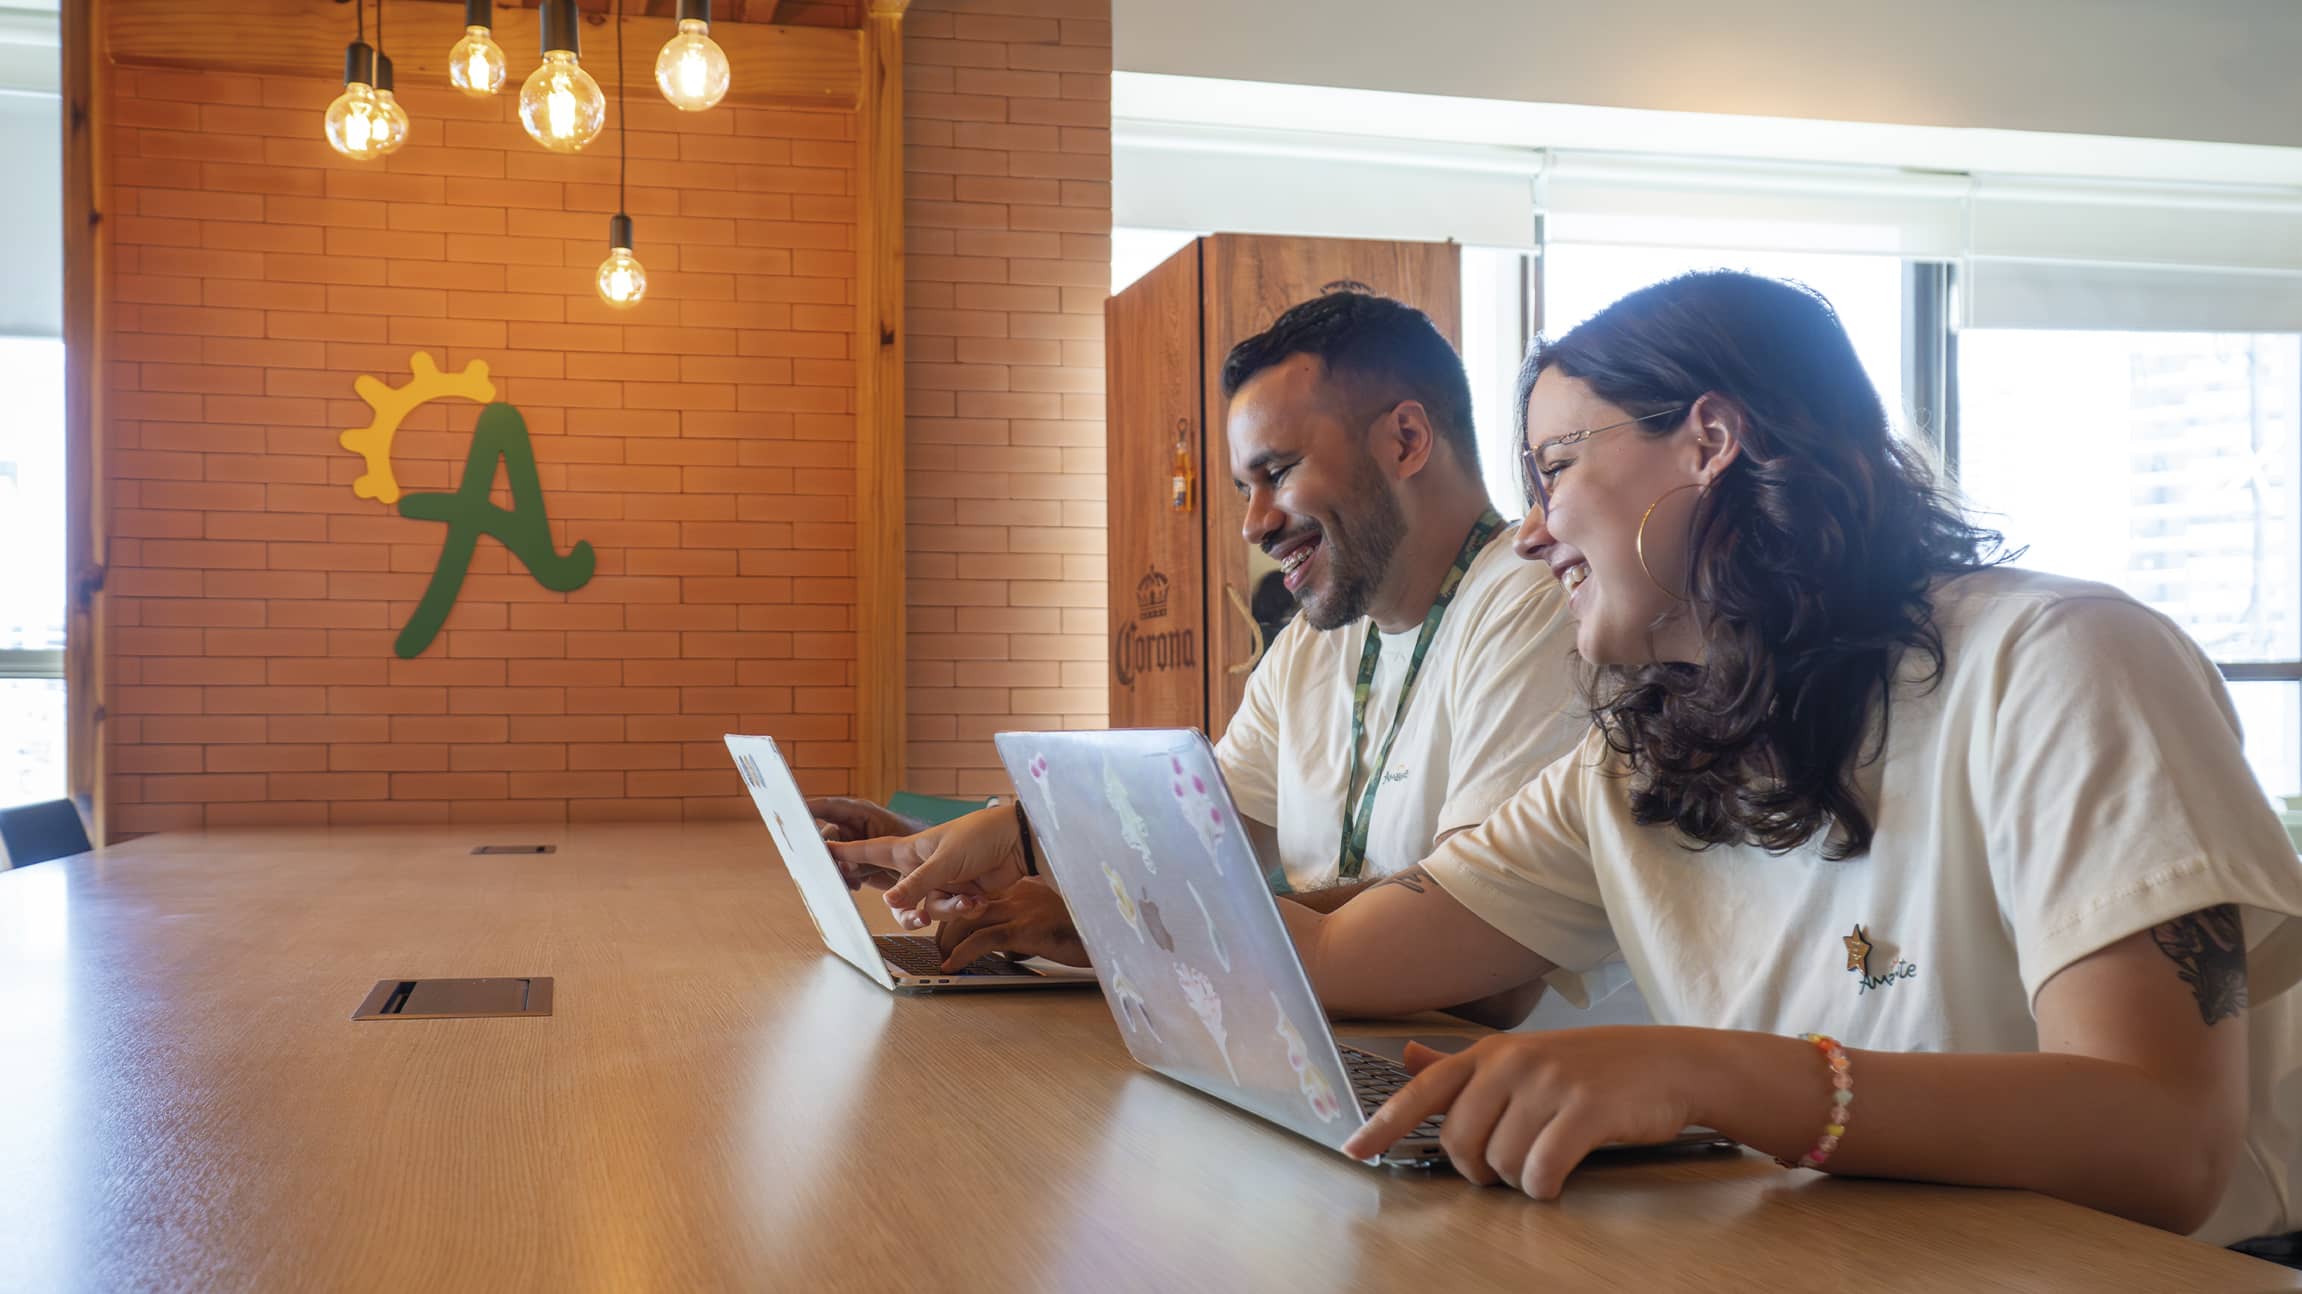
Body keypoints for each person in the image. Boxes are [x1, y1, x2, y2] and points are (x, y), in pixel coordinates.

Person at [880, 270, 2302, 1248]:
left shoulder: (2059, 661)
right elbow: (1344, 953)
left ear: (1711, 441)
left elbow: (2160, 1140)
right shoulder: (1639, 759)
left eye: (1555, 466)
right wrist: (1093, 904)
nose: (1528, 528)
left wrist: (1710, 1076)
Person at [815, 290, 1590, 1023]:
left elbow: (1486, 979)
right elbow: (1190, 841)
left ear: (1407, 441)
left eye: (1277, 474)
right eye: (1245, 488)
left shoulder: (1535, 604)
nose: (1254, 523)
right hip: (1325, 1046)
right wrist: (989, 853)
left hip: (1479, 1089)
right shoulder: (1313, 647)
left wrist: (1114, 926)